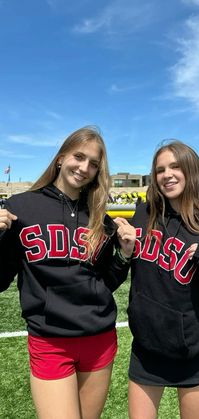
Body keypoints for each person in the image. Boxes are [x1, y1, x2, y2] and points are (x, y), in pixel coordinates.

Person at [0, 126, 136, 419]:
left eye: (94, 163)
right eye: (79, 156)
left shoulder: (99, 215)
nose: (84, 167)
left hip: (99, 340)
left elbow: (104, 283)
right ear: (61, 158)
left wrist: (124, 256)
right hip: (50, 342)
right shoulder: (20, 208)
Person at [127, 140, 199, 419]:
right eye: (160, 169)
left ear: (191, 170)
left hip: (194, 352)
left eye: (175, 166)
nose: (167, 174)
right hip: (146, 349)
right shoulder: (144, 213)